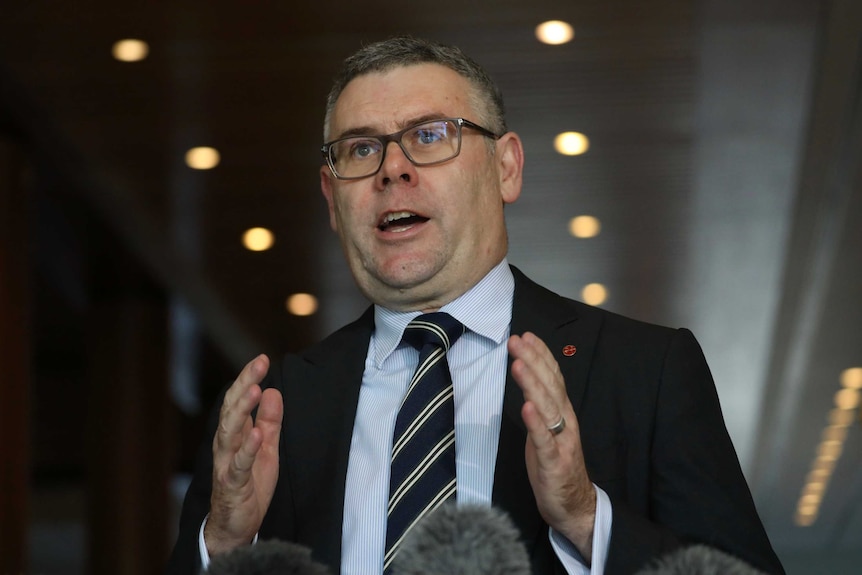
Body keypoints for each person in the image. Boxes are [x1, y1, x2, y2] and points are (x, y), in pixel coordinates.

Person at [166, 36, 785, 575]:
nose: (392, 170)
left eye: (430, 136)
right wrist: (223, 546)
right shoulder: (271, 410)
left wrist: (586, 518)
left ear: (506, 167)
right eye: (360, 149)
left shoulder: (645, 370)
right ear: (332, 198)